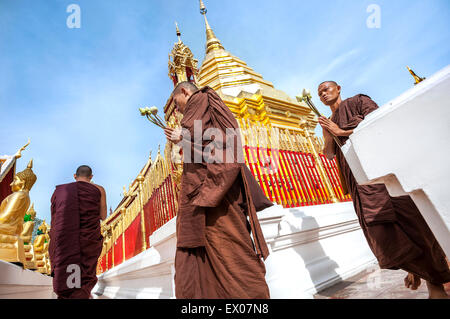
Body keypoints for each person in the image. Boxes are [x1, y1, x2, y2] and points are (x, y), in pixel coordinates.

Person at [317, 81, 450, 298]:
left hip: (382, 177)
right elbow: (330, 154)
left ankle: (432, 282)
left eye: (326, 89)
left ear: (339, 88)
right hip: (360, 185)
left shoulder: (359, 102)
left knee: (411, 226)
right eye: (319, 93)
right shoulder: (328, 122)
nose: (323, 93)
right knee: (382, 235)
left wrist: (342, 130)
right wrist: (328, 135)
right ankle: (414, 270)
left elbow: (378, 125)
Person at [164, 81, 273, 298]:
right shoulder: (200, 109)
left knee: (233, 255)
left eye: (176, 104)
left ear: (185, 91)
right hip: (203, 194)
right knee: (203, 261)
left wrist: (183, 139)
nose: (177, 111)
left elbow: (226, 149)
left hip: (217, 195)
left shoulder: (204, 102)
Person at [49, 165, 107, 299]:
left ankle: (69, 294)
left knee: (66, 268)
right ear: (91, 177)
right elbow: (103, 216)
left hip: (65, 239)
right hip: (88, 240)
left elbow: (55, 216)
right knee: (85, 271)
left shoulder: (61, 191)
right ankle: (81, 294)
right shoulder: (99, 189)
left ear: (75, 176)